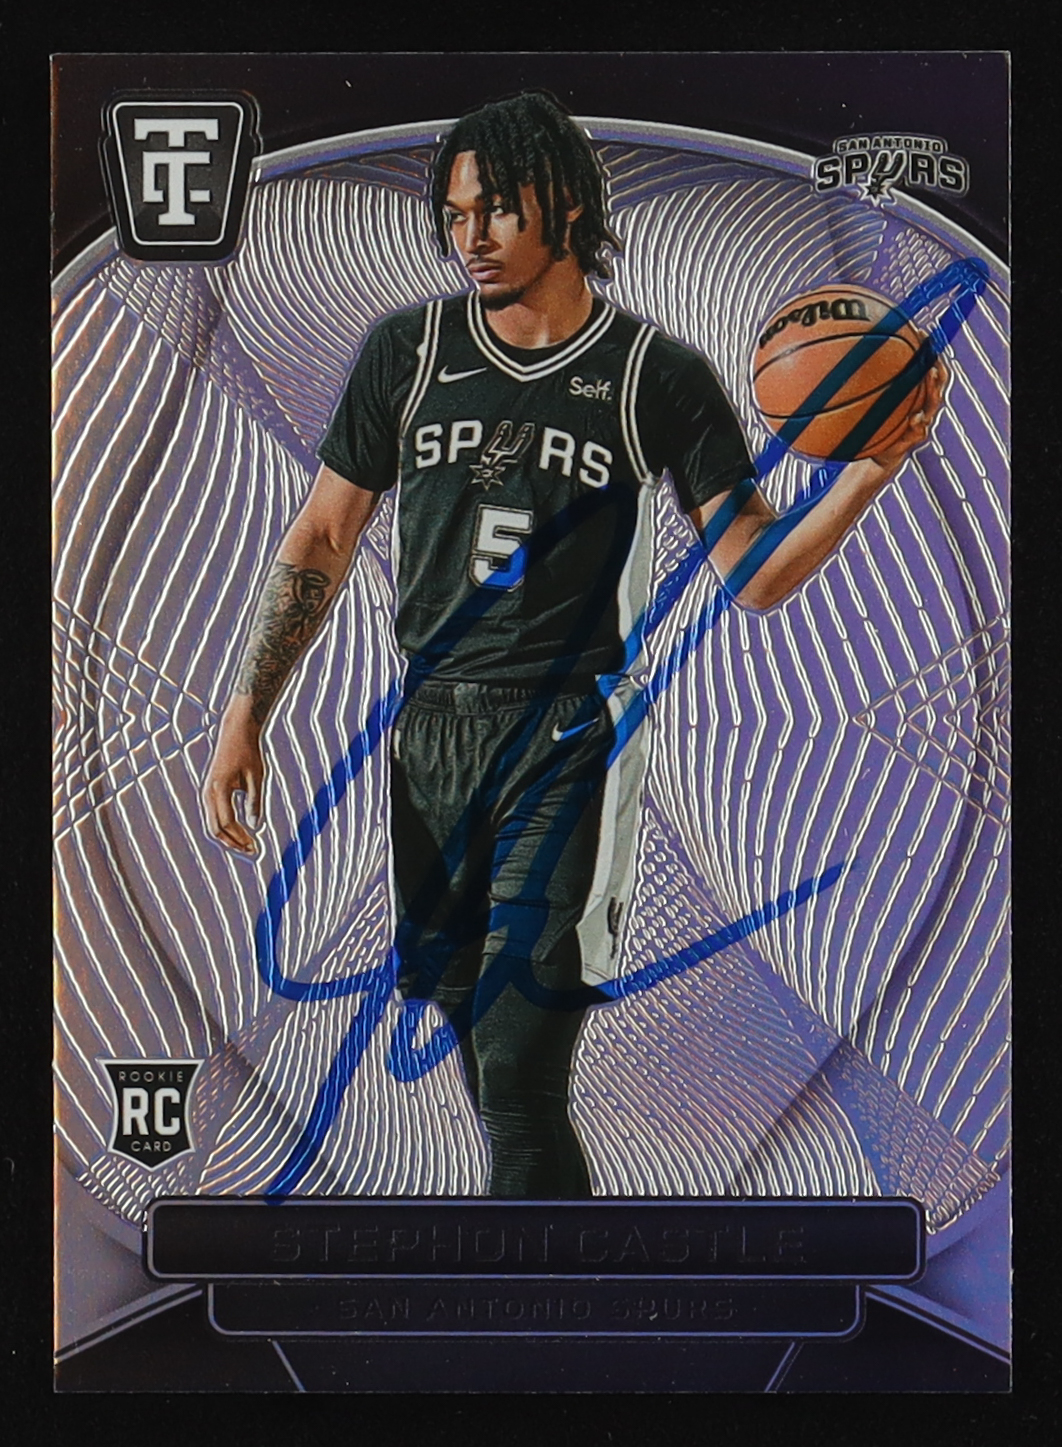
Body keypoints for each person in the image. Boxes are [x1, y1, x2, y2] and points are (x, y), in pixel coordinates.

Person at [202, 91, 944, 1200]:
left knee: (518, 1065)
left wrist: (869, 473)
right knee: (481, 1047)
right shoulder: (406, 353)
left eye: (498, 209)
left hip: (568, 731)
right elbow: (322, 535)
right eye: (456, 214)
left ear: (567, 205)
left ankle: (532, 1289)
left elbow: (754, 575)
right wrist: (245, 713)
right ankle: (557, 1266)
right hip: (433, 726)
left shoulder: (655, 375)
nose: (472, 236)